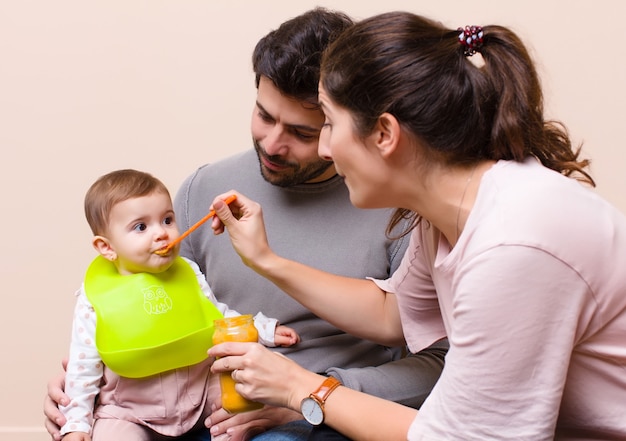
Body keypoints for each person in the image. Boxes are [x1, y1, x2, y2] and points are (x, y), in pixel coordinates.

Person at [205, 11, 626, 440]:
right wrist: (264, 259)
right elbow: (394, 315)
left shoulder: (514, 244)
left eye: (328, 123)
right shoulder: (447, 214)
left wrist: (299, 387)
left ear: (384, 133)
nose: (326, 149)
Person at [44, 8, 448, 441]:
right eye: (264, 115)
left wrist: (311, 397)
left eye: (302, 132)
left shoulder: (397, 208)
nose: (272, 144)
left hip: (316, 418)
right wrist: (85, 397)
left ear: (342, 123)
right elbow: (152, 309)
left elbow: (439, 364)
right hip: (197, 410)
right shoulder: (204, 189)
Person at [60, 169, 299, 441]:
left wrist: (262, 329)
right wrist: (76, 425)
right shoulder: (95, 297)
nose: (161, 233)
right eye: (141, 226)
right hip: (129, 410)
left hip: (199, 395)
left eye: (167, 219)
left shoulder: (188, 273)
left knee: (252, 392)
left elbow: (215, 317)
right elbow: (83, 369)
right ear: (106, 247)